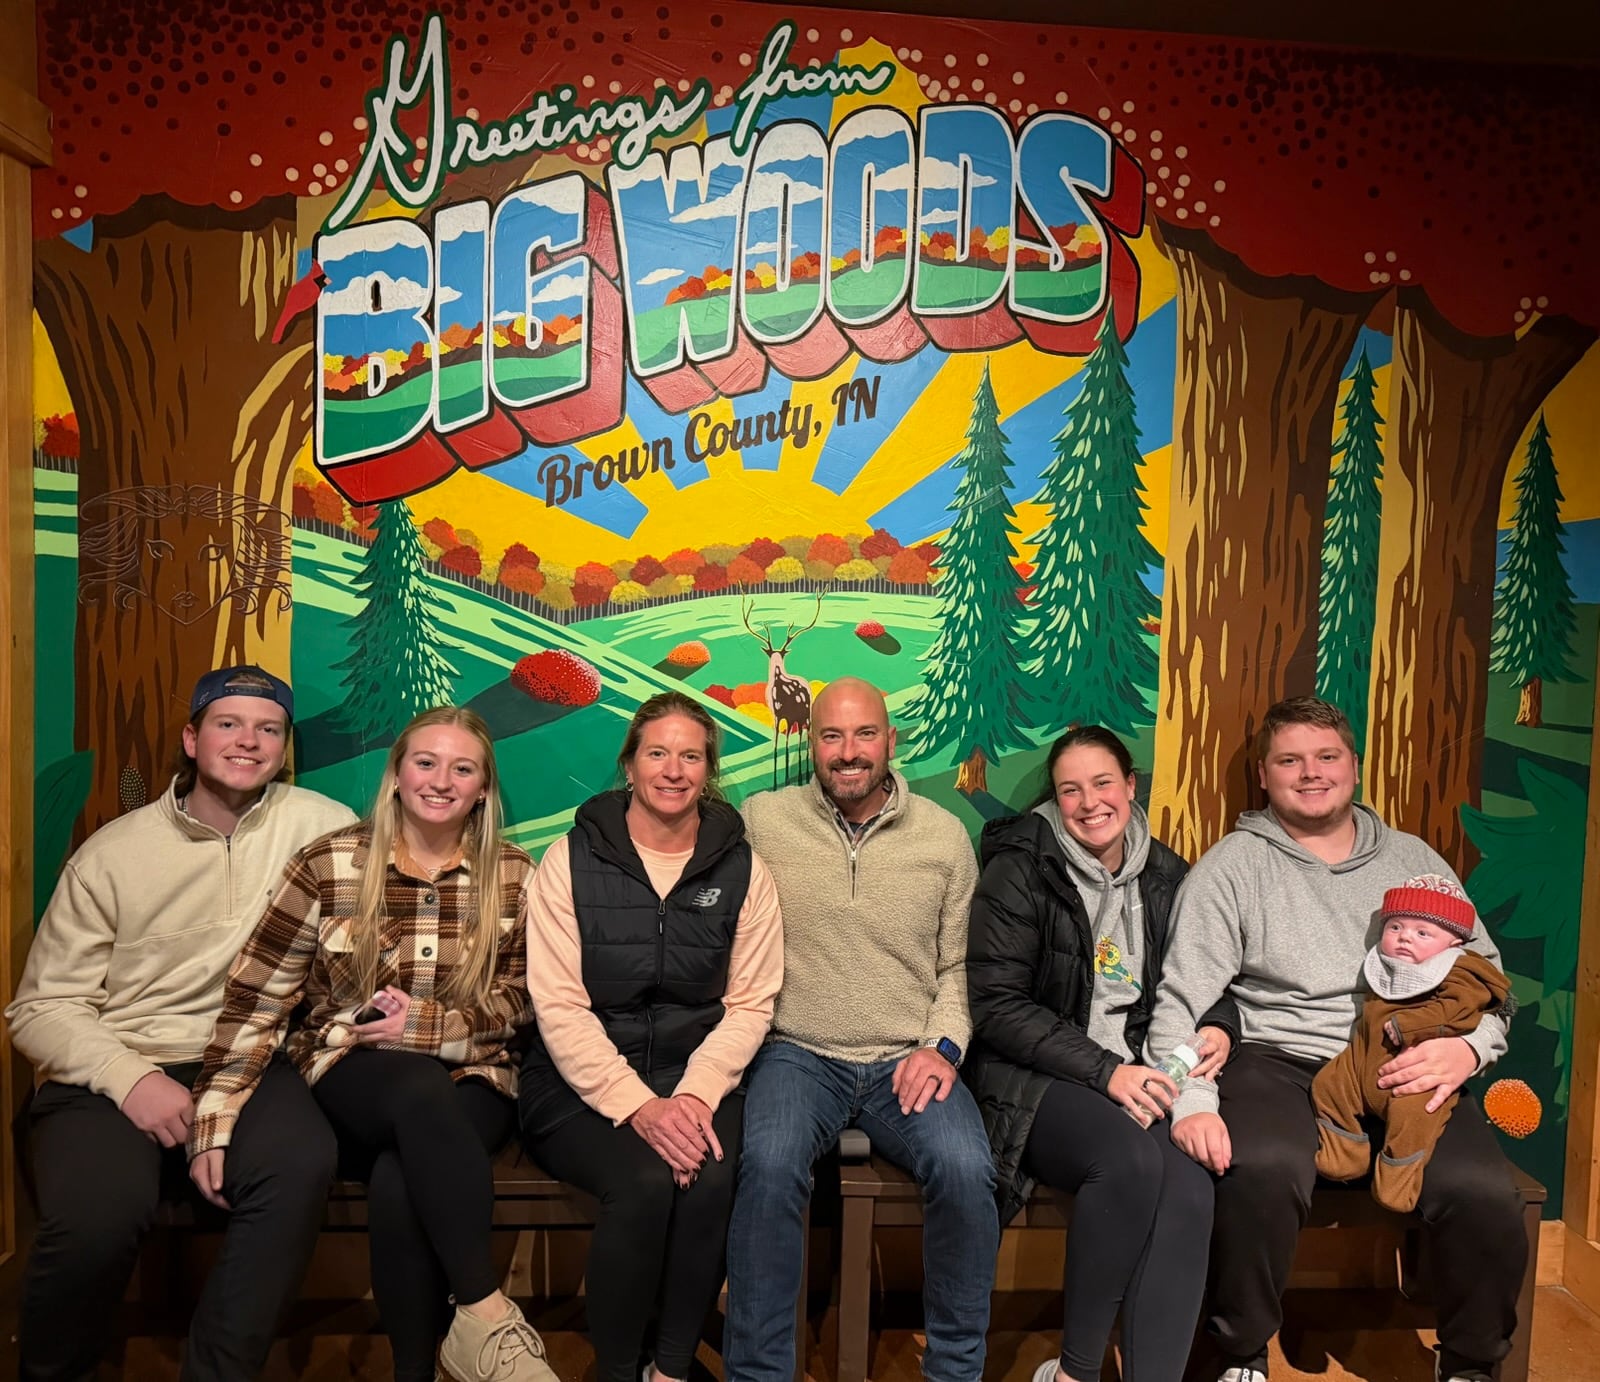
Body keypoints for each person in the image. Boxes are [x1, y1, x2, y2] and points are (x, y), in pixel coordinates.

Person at [1145, 695, 1524, 1382]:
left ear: (1353, 766)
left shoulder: (1413, 861)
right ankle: (1240, 1352)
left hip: (1411, 1057)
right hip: (1278, 1058)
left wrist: (1469, 1050)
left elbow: (1491, 983)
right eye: (1290, 760)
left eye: (1327, 757)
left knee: (1482, 1190)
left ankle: (1470, 1364)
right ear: (1265, 774)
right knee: (1261, 1167)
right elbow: (1181, 1000)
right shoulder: (1232, 867)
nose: (1311, 773)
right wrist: (1192, 1102)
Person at [6, 664, 355, 1382]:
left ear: (283, 748)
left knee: (298, 1164)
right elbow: (39, 1008)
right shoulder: (112, 854)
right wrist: (131, 1079)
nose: (248, 741)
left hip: (253, 1058)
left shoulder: (325, 828)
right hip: (116, 1064)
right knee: (99, 1212)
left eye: (268, 729)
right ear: (192, 740)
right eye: (228, 724)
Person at [189, 707, 554, 1382]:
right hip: (350, 1068)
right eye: (425, 763)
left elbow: (525, 999)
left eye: (462, 769)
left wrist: (427, 1028)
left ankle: (418, 1371)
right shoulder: (329, 862)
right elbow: (257, 998)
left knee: (399, 1177)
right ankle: (486, 1313)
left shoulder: (515, 873)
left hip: (475, 1077)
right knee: (414, 1086)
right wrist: (215, 1117)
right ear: (396, 775)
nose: (440, 781)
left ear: (482, 789)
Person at [725, 676, 999, 1382]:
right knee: (769, 1166)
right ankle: (758, 1374)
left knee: (967, 1170)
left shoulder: (944, 836)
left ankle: (955, 1372)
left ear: (890, 741)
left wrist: (942, 1048)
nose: (849, 752)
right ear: (810, 743)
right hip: (796, 1053)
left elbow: (961, 965)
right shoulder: (762, 820)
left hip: (908, 1057)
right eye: (832, 735)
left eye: (865, 734)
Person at [518, 692, 783, 1382]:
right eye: (657, 753)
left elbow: (750, 1004)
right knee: (642, 1182)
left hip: (699, 1075)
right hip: (577, 1083)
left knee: (712, 1177)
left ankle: (670, 1368)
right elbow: (559, 1004)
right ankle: (615, 1369)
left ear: (709, 770)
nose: (673, 770)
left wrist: (693, 1098)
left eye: (690, 756)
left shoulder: (744, 870)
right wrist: (638, 1106)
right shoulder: (568, 860)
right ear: (630, 763)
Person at [965, 726, 1227, 1382]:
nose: (1089, 803)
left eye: (1103, 783)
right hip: (1033, 1076)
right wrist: (1106, 1072)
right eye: (1070, 790)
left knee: (1190, 1182)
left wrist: (1221, 1024)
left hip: (1140, 1068)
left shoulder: (1168, 875)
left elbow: (1207, 973)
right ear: (1054, 799)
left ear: (1130, 786)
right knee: (1128, 1160)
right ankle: (1076, 1372)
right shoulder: (1021, 868)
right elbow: (997, 1007)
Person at [1313, 873, 1512, 1213]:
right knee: (1328, 1085)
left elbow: (1459, 1010)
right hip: (1362, 1059)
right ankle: (1345, 1154)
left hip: (1415, 1067)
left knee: (1414, 1118)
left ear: (1454, 943)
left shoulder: (1461, 971)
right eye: (1395, 927)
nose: (1405, 937)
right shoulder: (1387, 964)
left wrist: (1413, 1026)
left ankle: (1397, 1182)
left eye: (1422, 933)